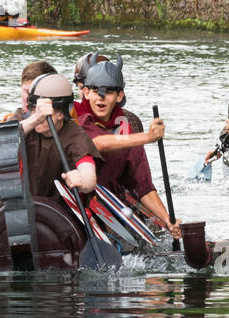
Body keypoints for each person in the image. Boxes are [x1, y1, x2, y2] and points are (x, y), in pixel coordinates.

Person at [0, 72, 99, 225]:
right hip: (15, 211)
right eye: (33, 109)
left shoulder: (74, 135)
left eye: (44, 112)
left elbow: (89, 176)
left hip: (58, 218)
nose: (37, 115)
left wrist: (81, 180)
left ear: (60, 114)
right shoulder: (18, 122)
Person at [76, 57, 181, 238]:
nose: (101, 97)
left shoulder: (126, 128)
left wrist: (168, 220)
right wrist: (147, 137)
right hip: (74, 208)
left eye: (109, 92)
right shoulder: (75, 118)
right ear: (85, 92)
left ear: (120, 96)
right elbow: (97, 143)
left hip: (110, 210)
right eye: (95, 90)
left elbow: (143, 187)